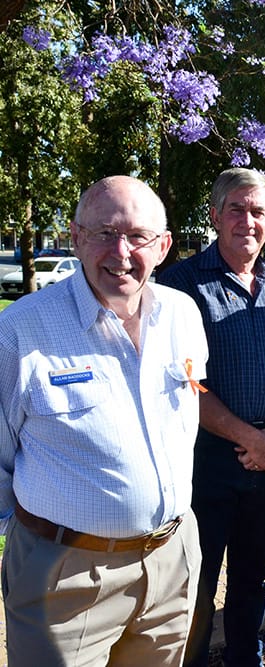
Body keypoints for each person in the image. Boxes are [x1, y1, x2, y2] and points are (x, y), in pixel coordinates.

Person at [0, 176, 208, 665]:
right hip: (64, 578)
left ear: (162, 246)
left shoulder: (183, 315)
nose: (121, 251)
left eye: (137, 236)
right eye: (103, 233)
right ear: (75, 237)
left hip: (171, 562)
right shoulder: (21, 329)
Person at [157, 168, 265, 666]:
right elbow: (186, 383)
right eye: (236, 209)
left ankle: (247, 656)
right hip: (207, 460)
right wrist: (253, 439)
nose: (246, 221)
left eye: (257, 212)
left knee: (254, 574)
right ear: (215, 215)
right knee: (197, 583)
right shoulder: (180, 284)